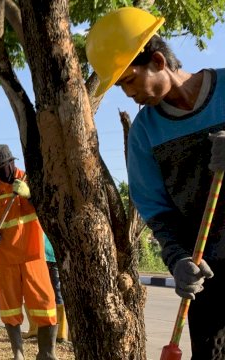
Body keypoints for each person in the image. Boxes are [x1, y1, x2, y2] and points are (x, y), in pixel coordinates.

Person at [86, 7, 225, 359]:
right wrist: (178, 259)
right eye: (120, 86)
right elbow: (158, 212)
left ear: (158, 61)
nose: (127, 94)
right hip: (211, 276)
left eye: (130, 80)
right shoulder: (146, 134)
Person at [0, 144, 58, 360]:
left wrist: (30, 196)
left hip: (33, 255)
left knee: (45, 305)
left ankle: (47, 354)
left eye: (1, 166)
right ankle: (18, 355)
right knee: (9, 308)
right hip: (5, 258)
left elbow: (50, 207)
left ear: (11, 163)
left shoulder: (30, 181)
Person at [23, 235, 68, 343]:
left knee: (36, 291)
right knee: (56, 292)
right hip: (54, 255)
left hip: (41, 256)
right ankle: (60, 333)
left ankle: (36, 329)